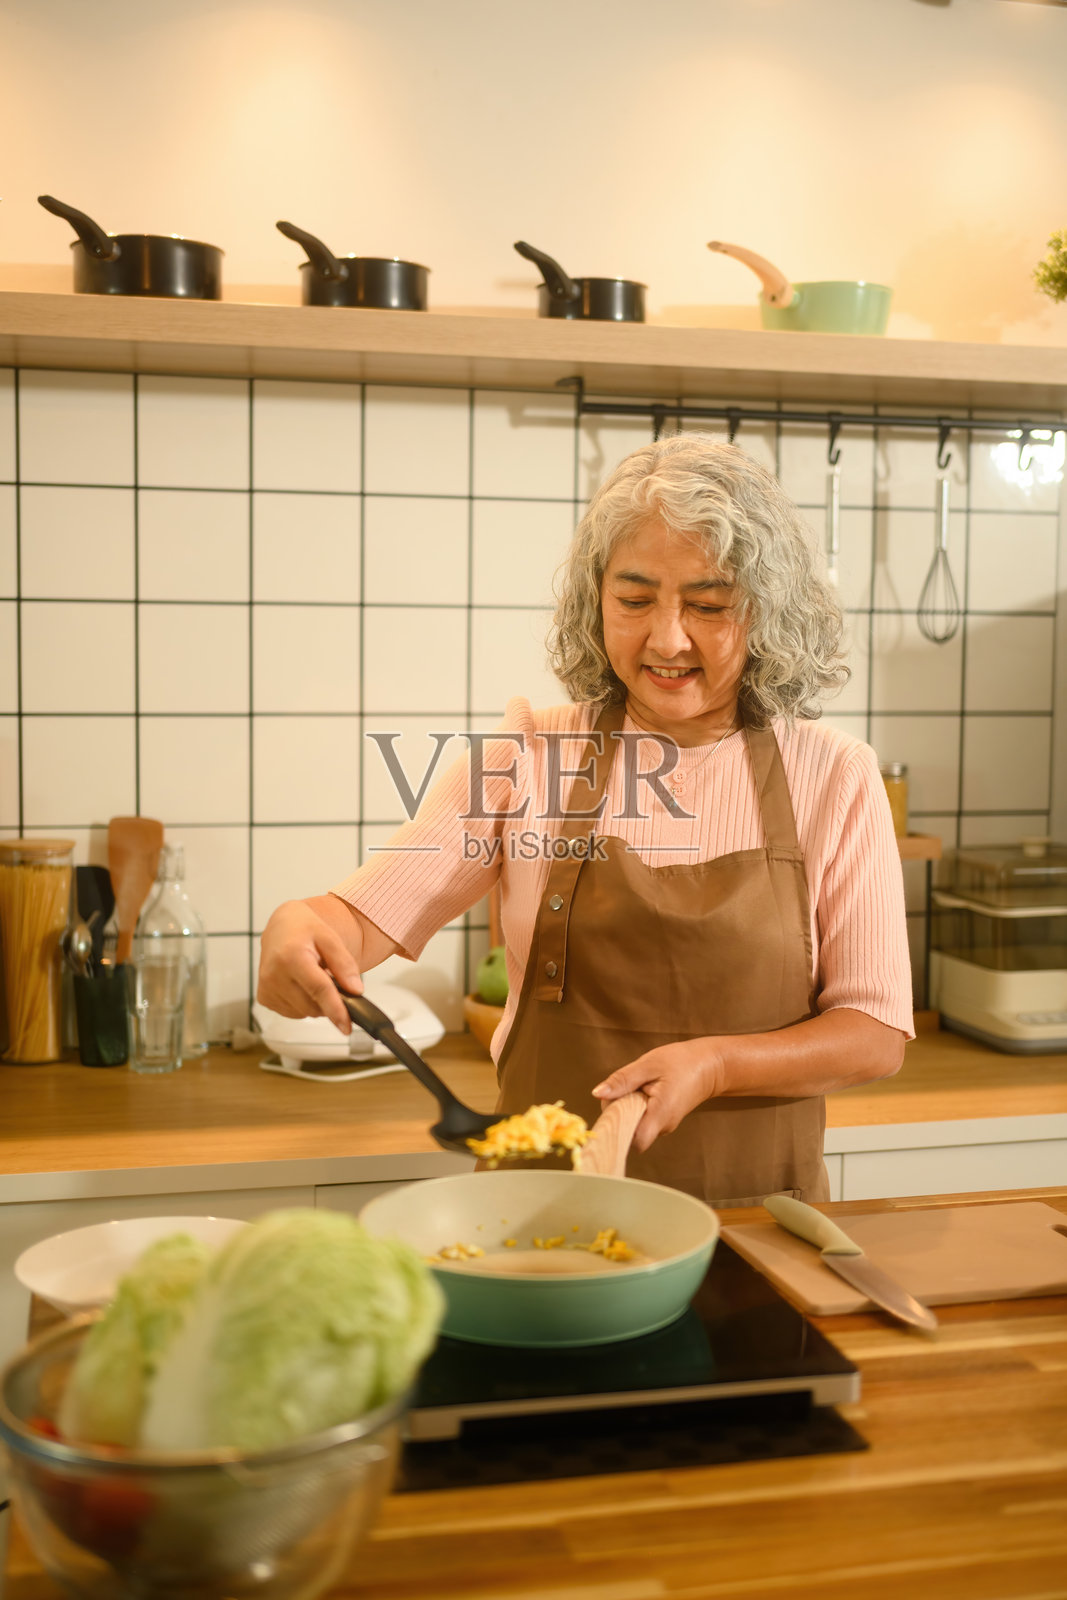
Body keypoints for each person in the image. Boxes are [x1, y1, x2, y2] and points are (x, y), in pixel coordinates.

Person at [257, 436, 912, 1207]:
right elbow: (357, 921)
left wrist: (715, 1065)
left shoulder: (831, 774)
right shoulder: (527, 754)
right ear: (593, 599)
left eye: (707, 605)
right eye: (634, 601)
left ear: (765, 611)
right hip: (541, 1218)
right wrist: (297, 925)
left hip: (758, 1227)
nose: (666, 639)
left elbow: (873, 1033)